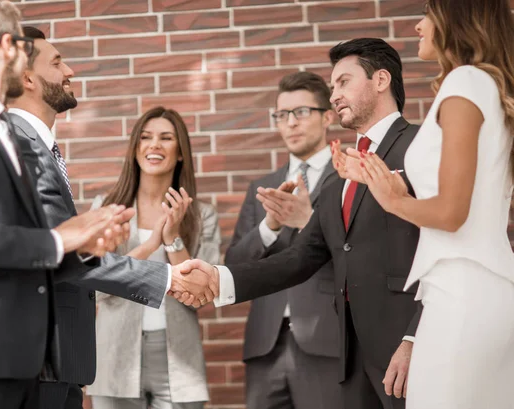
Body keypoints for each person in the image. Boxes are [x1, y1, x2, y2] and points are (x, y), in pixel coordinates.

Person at [175, 38, 423, 409]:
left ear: (381, 80)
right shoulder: (343, 175)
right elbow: (302, 257)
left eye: (343, 82)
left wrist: (414, 338)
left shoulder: (420, 145)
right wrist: (217, 278)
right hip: (352, 360)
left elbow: (445, 245)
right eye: (333, 84)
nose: (334, 93)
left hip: (408, 355)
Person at [0, 1, 135, 408]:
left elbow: (26, 252)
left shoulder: (7, 135)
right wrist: (59, 239)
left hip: (28, 367)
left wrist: (85, 248)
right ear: (8, 48)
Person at [7, 27, 208, 409]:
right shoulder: (22, 146)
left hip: (64, 359)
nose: (71, 71)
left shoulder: (41, 147)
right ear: (28, 78)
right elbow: (62, 253)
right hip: (41, 356)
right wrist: (165, 274)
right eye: (57, 61)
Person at [344, 1, 514, 408]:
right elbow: (470, 191)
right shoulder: (486, 85)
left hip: (463, 293)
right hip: (471, 288)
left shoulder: (466, 83)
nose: (418, 25)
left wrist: (391, 198)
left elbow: (451, 214)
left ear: (454, 17)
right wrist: (377, 178)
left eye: (427, 13)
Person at [86, 106, 220, 409]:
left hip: (177, 359)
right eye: (145, 137)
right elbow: (94, 288)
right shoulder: (106, 209)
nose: (154, 145)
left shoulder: (202, 216)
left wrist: (172, 238)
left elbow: (202, 294)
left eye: (166, 138)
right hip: (115, 355)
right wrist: (150, 244)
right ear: (135, 148)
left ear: (181, 151)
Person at [225, 71, 341, 409]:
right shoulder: (261, 187)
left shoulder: (348, 178)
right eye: (282, 115)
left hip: (327, 341)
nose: (290, 123)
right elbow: (235, 266)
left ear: (328, 117)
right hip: (265, 345)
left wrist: (309, 221)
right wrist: (269, 227)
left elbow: (360, 257)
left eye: (301, 112)